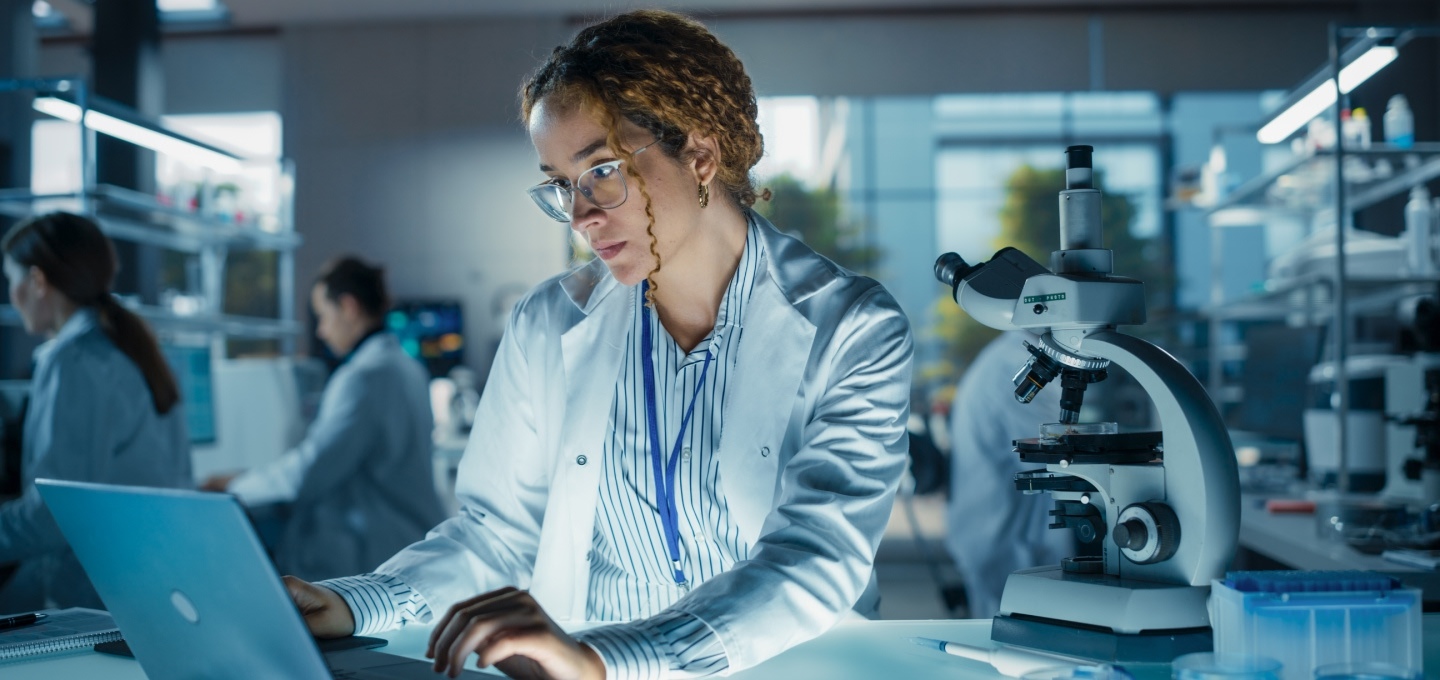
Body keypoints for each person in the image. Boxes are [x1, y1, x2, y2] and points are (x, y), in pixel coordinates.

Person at [281, 10, 913, 680]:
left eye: (601, 171)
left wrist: (605, 658)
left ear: (700, 155)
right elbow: (496, 533)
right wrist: (351, 603)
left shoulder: (853, 328)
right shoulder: (548, 322)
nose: (580, 214)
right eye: (559, 185)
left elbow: (816, 556)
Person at [202, 257, 445, 581]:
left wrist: (234, 485)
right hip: (407, 539)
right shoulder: (406, 367)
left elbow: (308, 473)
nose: (321, 331)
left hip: (377, 550)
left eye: (323, 317)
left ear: (348, 307)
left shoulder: (363, 377)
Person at [0, 211, 191, 610]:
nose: (10, 295)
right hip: (150, 578)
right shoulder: (129, 346)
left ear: (37, 282)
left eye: (11, 280)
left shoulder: (75, 361)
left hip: (96, 593)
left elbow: (52, 516)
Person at [944, 330, 1073, 619]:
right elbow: (1060, 458)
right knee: (1016, 646)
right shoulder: (1014, 365)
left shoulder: (1009, 356)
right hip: (1007, 548)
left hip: (1001, 542)